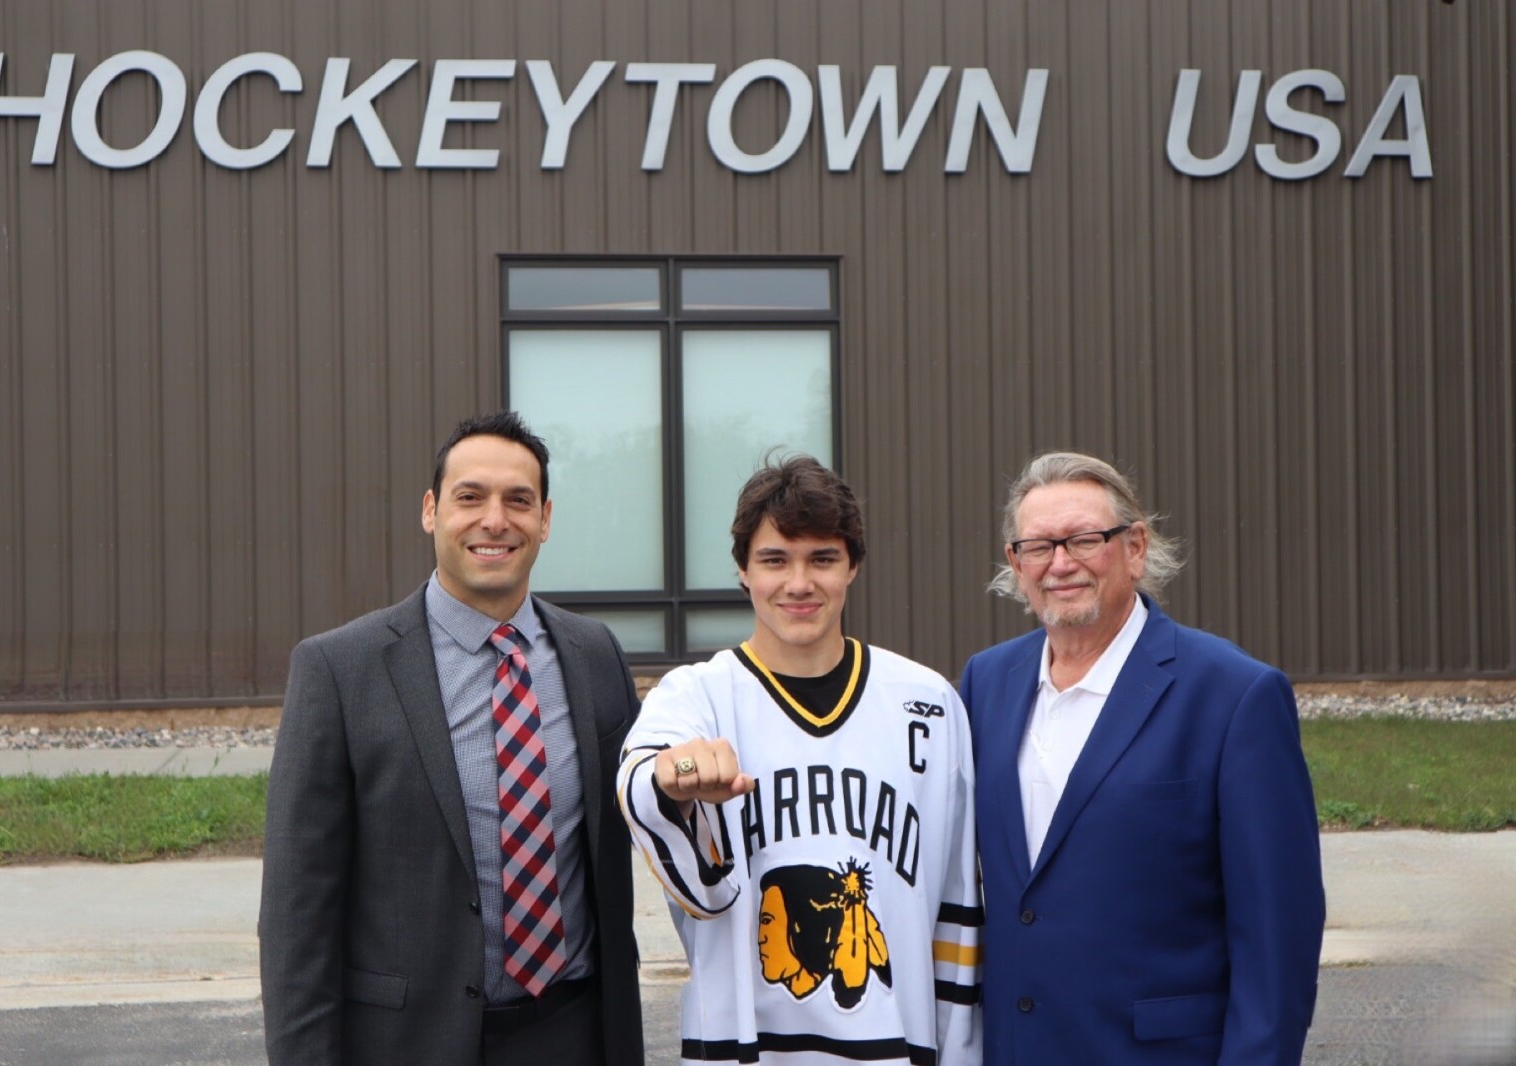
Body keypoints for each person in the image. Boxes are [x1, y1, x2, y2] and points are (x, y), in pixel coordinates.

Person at [259, 411, 644, 1066]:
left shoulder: (594, 655)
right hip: (410, 1044)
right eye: (470, 497)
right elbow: (298, 917)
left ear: (544, 520)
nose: (495, 520)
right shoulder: (339, 670)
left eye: (517, 501)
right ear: (431, 511)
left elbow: (642, 813)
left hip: (573, 1032)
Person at [959, 451, 1325, 1064]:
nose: (1061, 564)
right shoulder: (985, 683)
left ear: (1135, 547)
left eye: (1083, 540)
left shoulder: (1233, 694)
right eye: (1039, 547)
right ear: (1015, 565)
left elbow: (1278, 937)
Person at [618, 456, 981, 1066]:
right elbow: (641, 782)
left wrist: (960, 1053)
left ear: (853, 567)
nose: (798, 583)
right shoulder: (695, 695)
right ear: (742, 570)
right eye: (774, 560)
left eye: (822, 559)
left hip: (897, 1047)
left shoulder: (930, 702)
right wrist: (676, 776)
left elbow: (957, 911)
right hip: (744, 1051)